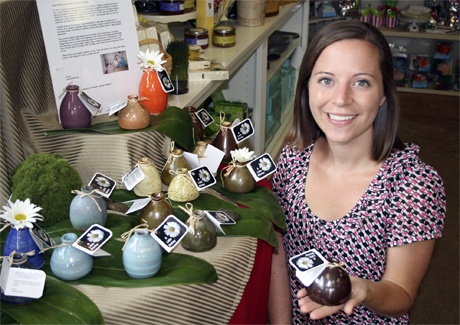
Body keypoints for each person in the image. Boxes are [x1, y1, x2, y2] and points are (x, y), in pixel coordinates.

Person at [268, 20, 446, 324]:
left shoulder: (415, 185)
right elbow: (278, 253)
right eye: (326, 80)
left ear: (384, 93)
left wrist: (362, 290)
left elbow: (401, 294)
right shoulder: (293, 158)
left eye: (361, 82)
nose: (341, 98)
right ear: (307, 86)